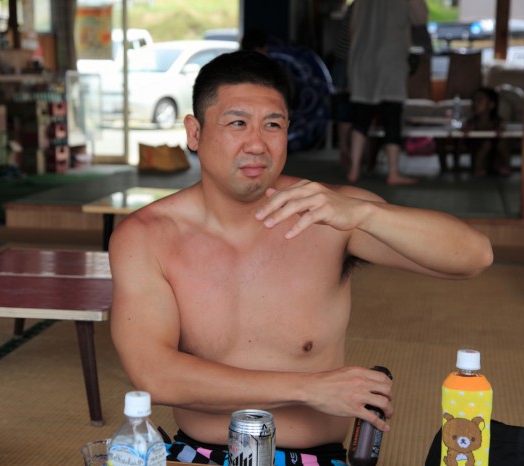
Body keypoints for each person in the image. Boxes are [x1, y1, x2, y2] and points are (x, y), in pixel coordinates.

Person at [109, 51, 493, 465]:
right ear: (195, 132)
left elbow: (473, 257)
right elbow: (154, 374)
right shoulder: (146, 235)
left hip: (315, 458)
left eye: (272, 125)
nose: (257, 144)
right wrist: (310, 388)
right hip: (198, 455)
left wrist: (365, 213)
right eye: (237, 123)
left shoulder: (330, 215)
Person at [346, 0, 428, 185]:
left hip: (362, 59)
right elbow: (420, 17)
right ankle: (393, 172)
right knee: (392, 116)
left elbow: (353, 26)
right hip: (391, 60)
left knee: (361, 117)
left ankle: (354, 169)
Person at [463, 87, 512, 177]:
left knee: (502, 143)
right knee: (486, 145)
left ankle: (504, 166)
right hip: (478, 153)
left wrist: (500, 130)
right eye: (473, 100)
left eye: (479, 100)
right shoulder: (472, 122)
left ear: (491, 105)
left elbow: (503, 128)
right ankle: (479, 168)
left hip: (495, 156)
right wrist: (467, 130)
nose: (475, 104)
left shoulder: (497, 121)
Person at [331, 1, 356, 169]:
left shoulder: (355, 6)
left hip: (345, 60)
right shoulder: (361, 7)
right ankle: (346, 151)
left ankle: (346, 150)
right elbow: (353, 35)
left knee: (345, 108)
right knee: (348, 108)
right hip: (349, 62)